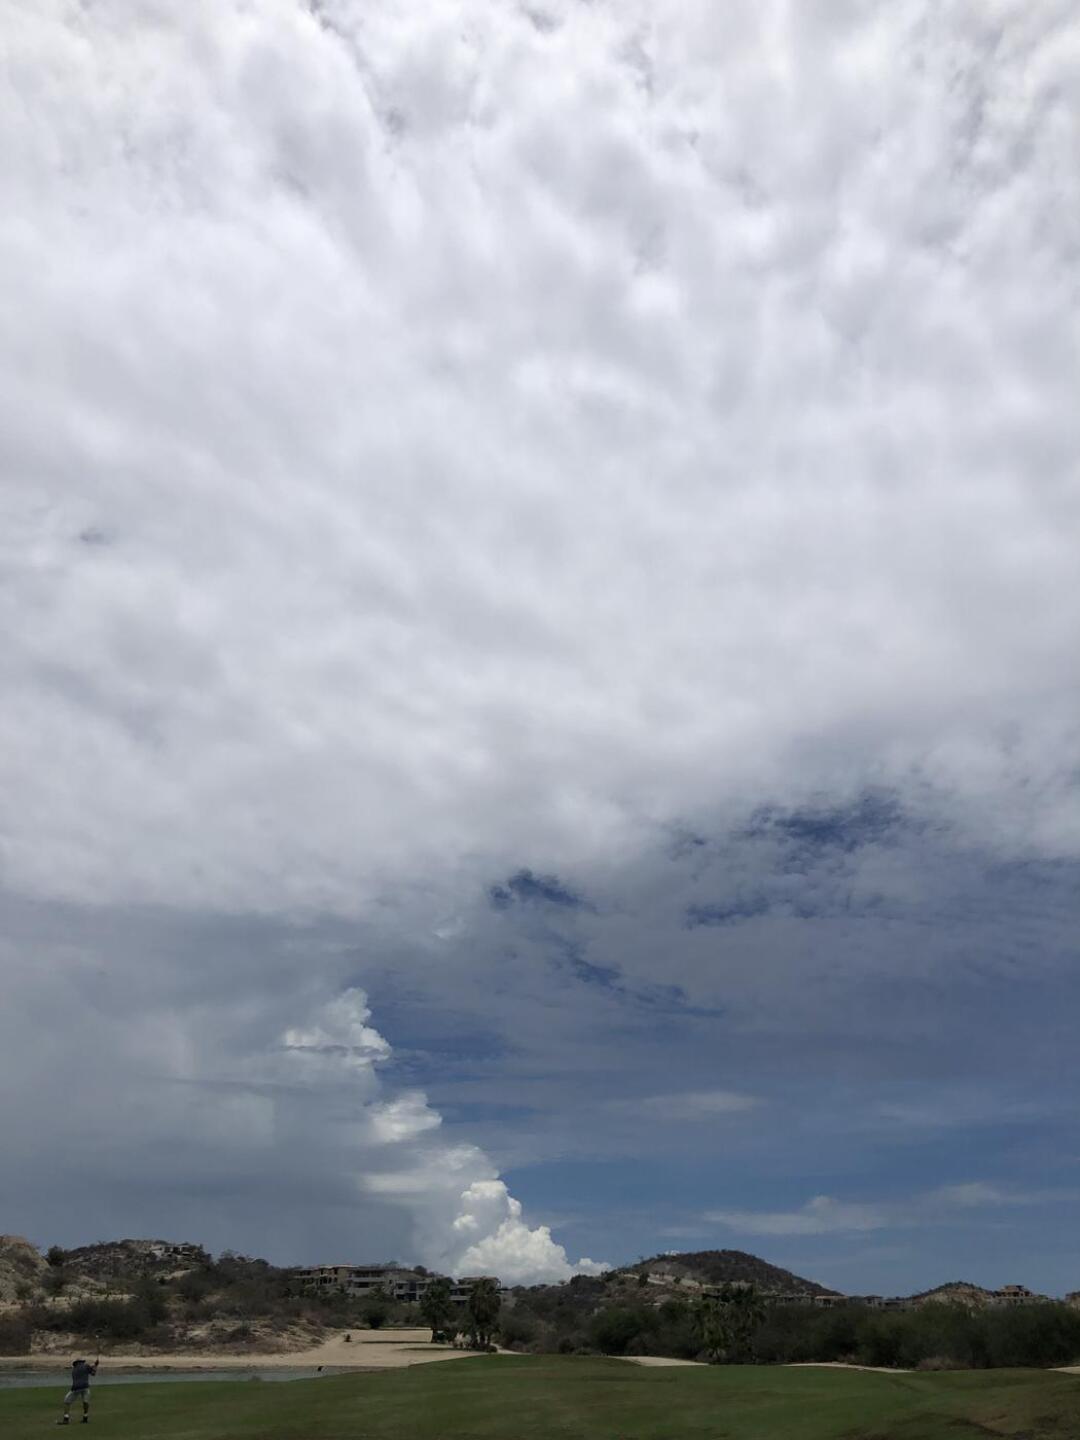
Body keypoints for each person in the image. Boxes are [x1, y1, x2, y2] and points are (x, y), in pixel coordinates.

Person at [58, 1356, 98, 1425]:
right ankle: (85, 1417)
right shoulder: (85, 1366)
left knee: (67, 1401)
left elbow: (88, 1370)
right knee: (85, 1402)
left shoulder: (75, 1369)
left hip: (76, 1388)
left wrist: (94, 1366)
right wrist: (96, 1366)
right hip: (85, 1387)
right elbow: (93, 1373)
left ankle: (66, 1418)